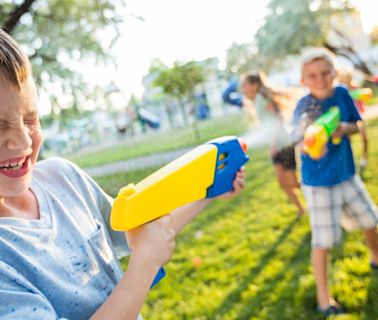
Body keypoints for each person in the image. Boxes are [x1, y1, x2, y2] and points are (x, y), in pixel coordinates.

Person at [0, 29, 246, 319]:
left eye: (30, 118)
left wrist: (209, 188)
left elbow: (141, 232)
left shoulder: (62, 177)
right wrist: (143, 267)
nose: (25, 142)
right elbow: (146, 252)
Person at [292, 48, 378, 317]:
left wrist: (342, 129)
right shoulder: (304, 106)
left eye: (325, 72)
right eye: (312, 76)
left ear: (334, 73)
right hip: (318, 182)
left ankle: (376, 258)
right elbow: (300, 139)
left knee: (370, 219)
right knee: (324, 240)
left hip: (346, 175)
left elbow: (356, 124)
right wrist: (312, 147)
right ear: (303, 80)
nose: (320, 79)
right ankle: (323, 298)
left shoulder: (341, 94)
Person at [241, 73, 306, 217]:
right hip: (276, 146)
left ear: (255, 85)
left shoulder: (263, 99)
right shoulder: (257, 101)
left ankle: (318, 190)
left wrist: (274, 144)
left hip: (283, 144)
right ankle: (301, 210)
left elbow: (279, 119)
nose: (242, 89)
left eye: (245, 85)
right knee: (283, 183)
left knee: (293, 183)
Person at [337, 69, 369, 177]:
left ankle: (364, 157)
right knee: (348, 140)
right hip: (347, 118)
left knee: (364, 137)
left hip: (359, 115)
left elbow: (361, 99)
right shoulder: (341, 91)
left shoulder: (354, 87)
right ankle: (351, 161)